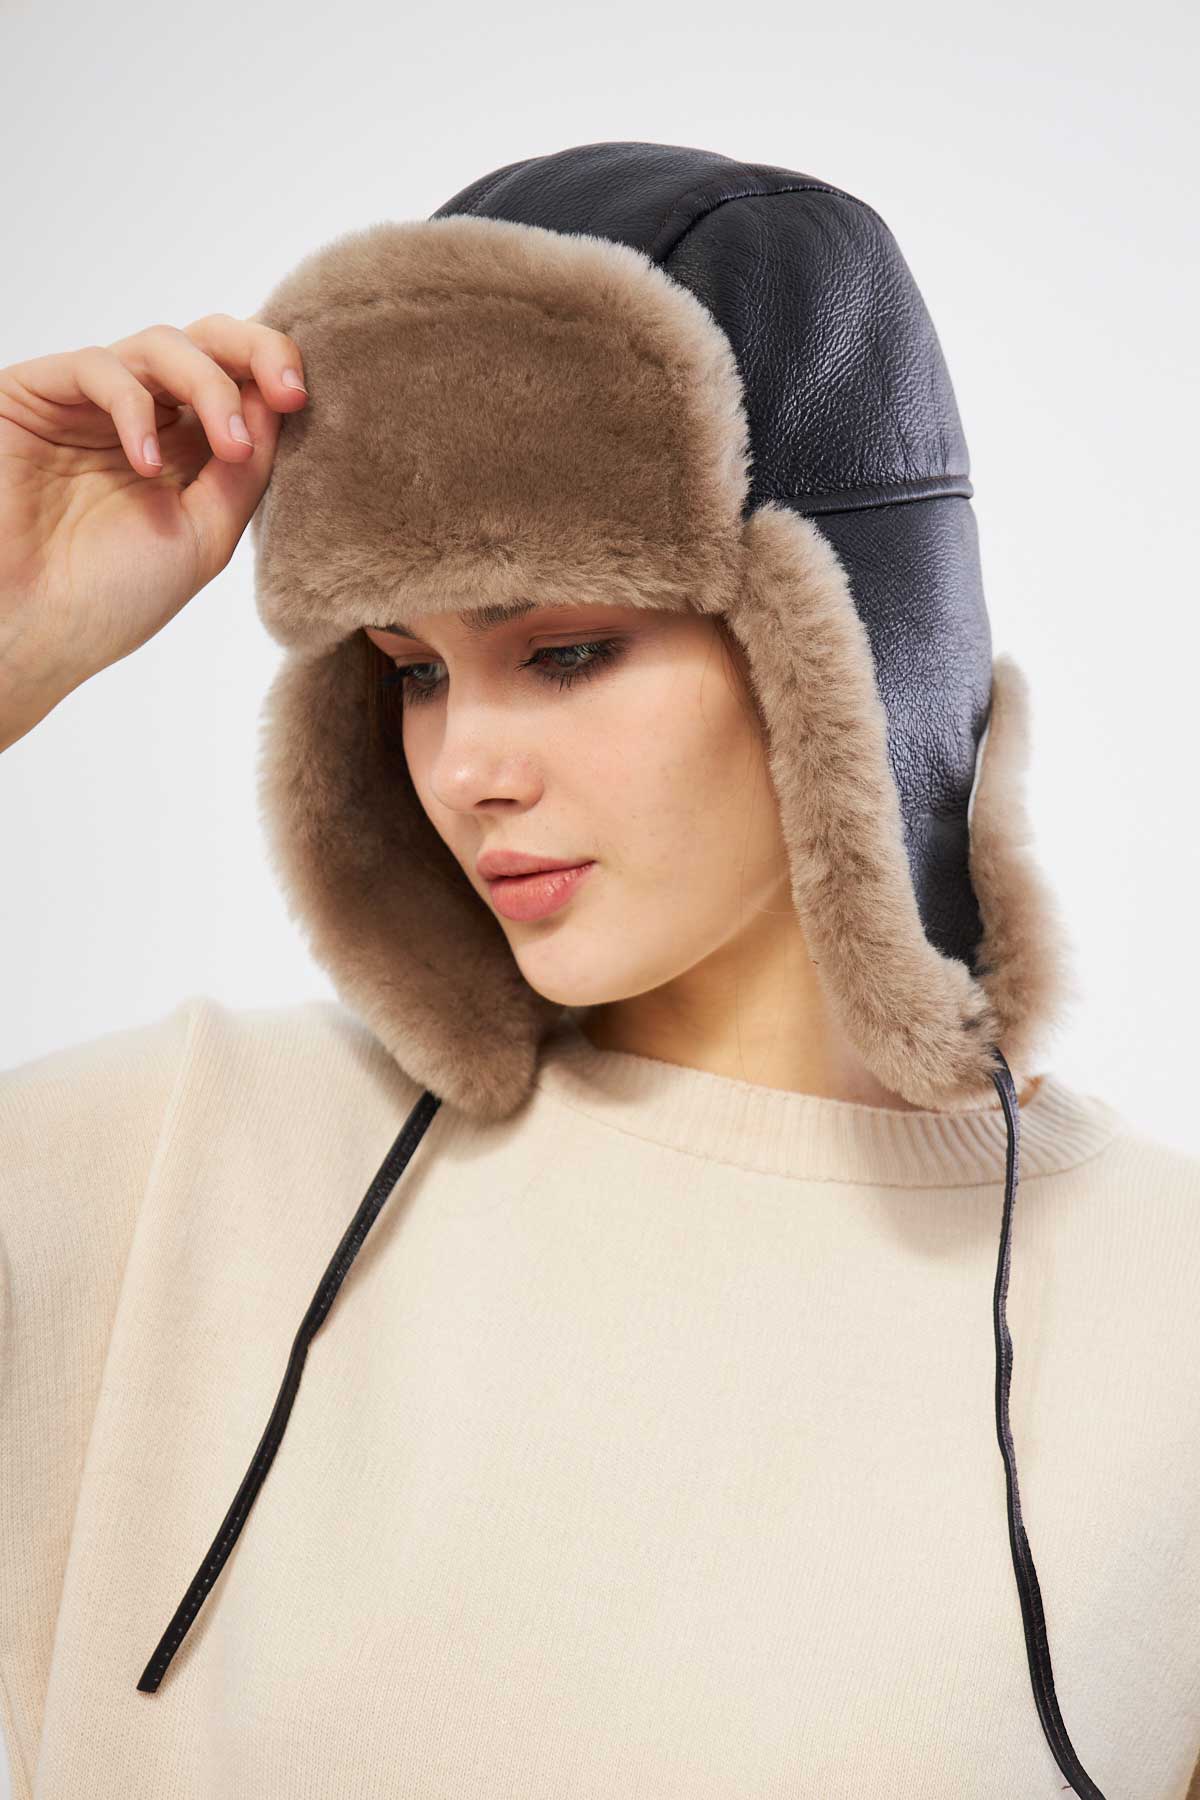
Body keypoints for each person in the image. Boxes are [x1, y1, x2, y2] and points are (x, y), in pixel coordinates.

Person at [2, 140, 1198, 1800]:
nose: (464, 768)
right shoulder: (184, 1157)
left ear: (843, 650)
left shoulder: (1166, 1314)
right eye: (412, 672)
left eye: (564, 651)